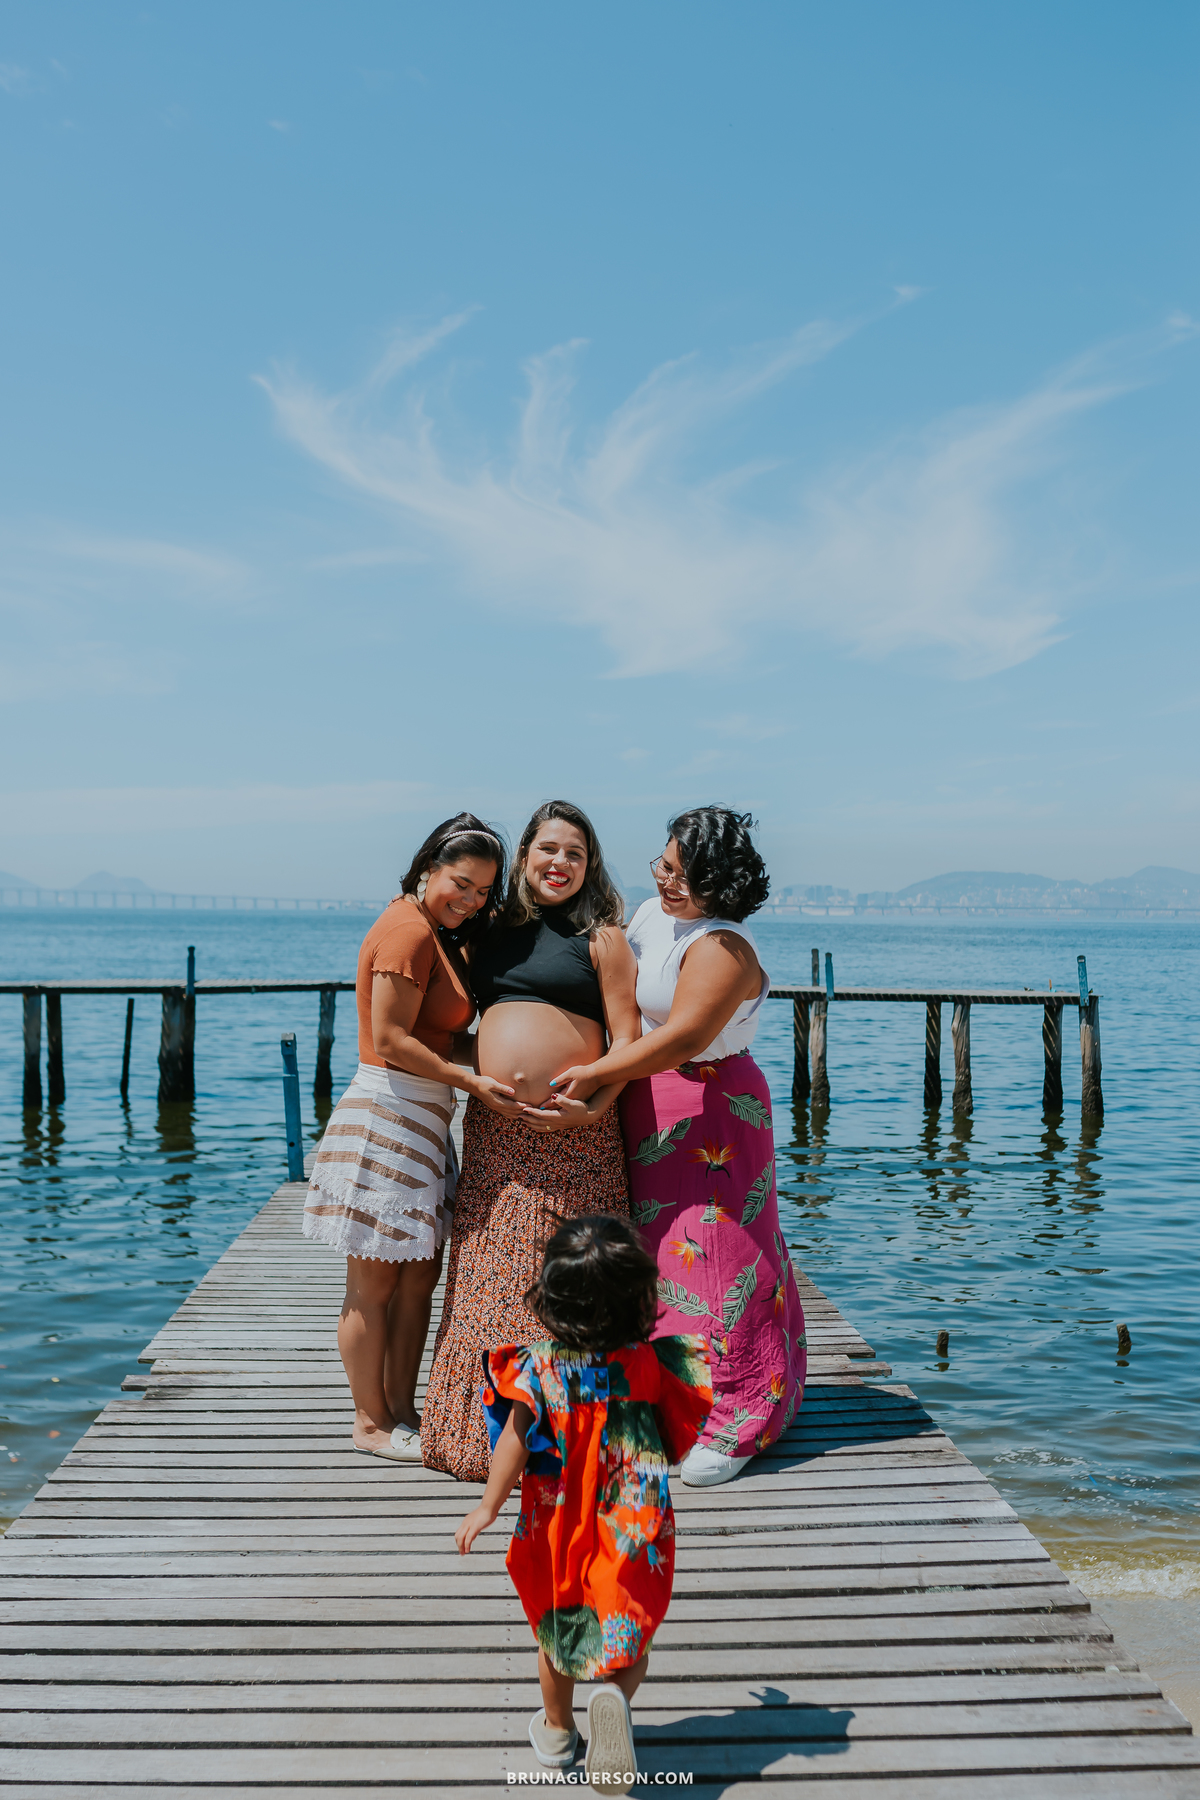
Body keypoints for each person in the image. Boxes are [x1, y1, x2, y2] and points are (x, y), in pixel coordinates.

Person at [547, 805, 807, 1488]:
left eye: (685, 876)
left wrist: (600, 1072)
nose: (667, 882)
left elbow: (688, 1035)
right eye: (663, 865)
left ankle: (745, 1411)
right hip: (648, 1109)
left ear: (722, 884)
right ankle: (680, 1403)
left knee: (718, 1259)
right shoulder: (650, 915)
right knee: (662, 1261)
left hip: (712, 1111)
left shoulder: (724, 947)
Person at [421, 801, 640, 1483]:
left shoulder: (604, 939)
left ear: (590, 866)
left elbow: (628, 1042)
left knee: (576, 1281)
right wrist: (480, 1068)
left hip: (578, 1140)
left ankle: (574, 1437)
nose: (559, 863)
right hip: (497, 1134)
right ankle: (479, 1438)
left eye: (574, 853)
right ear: (524, 859)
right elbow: (461, 1017)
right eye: (548, 849)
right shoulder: (491, 933)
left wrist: (591, 1109)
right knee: (494, 1280)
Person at [455, 1214, 711, 1793]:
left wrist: (488, 1508)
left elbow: (517, 1441)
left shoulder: (539, 1369)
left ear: (550, 1298)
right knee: (631, 1631)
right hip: (631, 1521)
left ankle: (556, 1732)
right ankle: (614, 1696)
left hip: (557, 1525)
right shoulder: (647, 1366)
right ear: (638, 1299)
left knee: (556, 1631)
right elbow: (680, 1432)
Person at [303, 813, 520, 1462]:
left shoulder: (436, 930)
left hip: (422, 1117)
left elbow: (435, 1030)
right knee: (373, 1282)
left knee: (417, 1274)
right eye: (461, 883)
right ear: (429, 869)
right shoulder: (405, 929)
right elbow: (393, 1038)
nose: (471, 900)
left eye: (483, 891)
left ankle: (402, 1411)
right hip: (388, 1114)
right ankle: (369, 1422)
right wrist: (472, 1080)